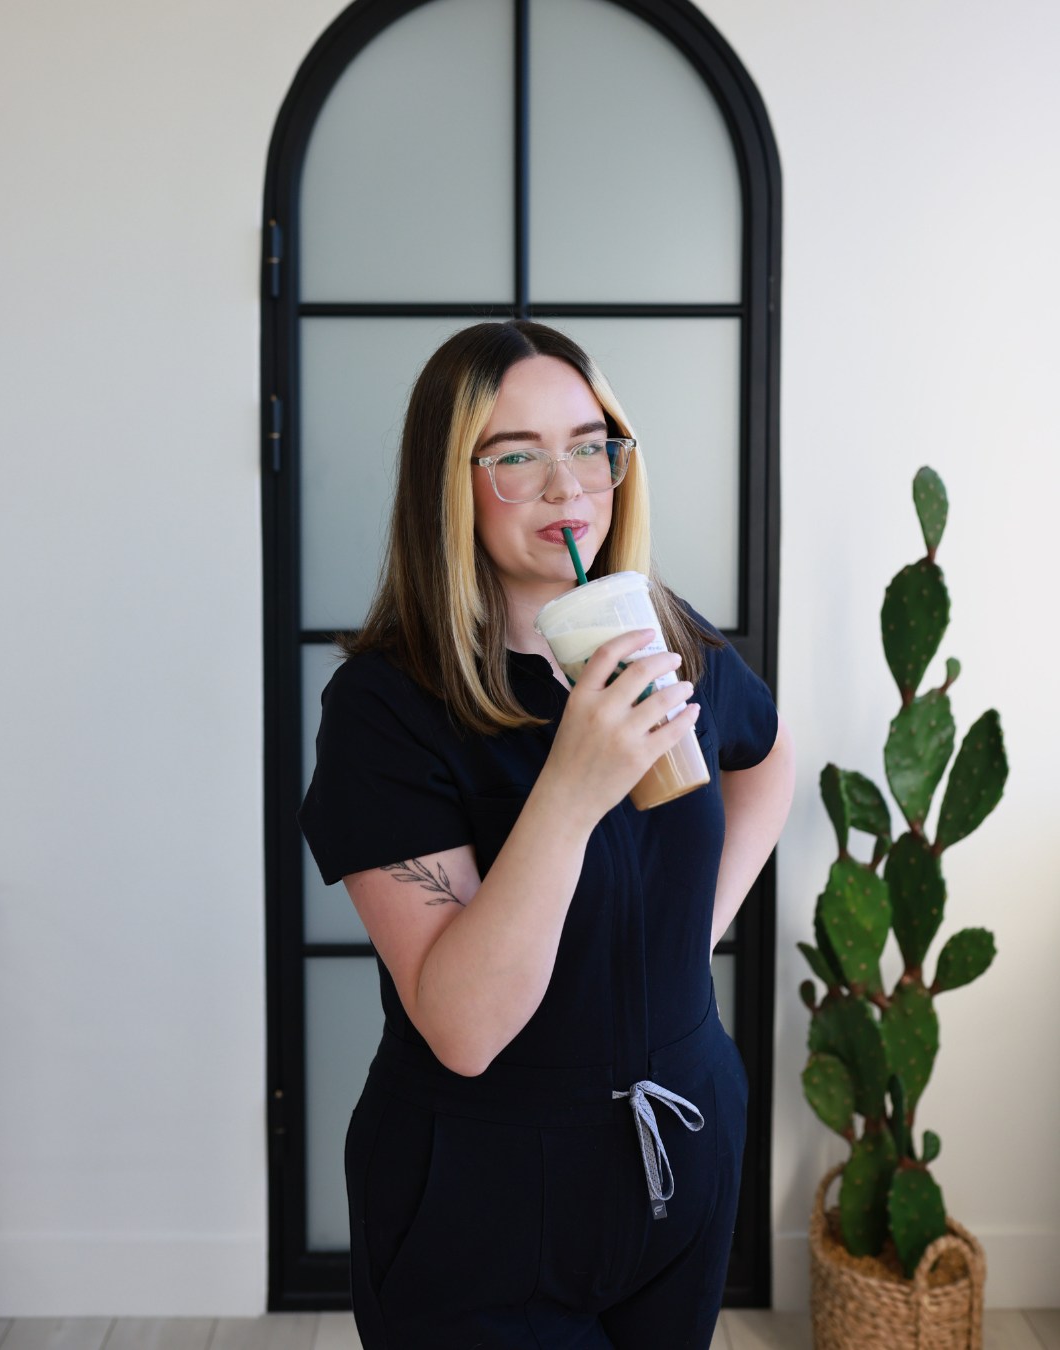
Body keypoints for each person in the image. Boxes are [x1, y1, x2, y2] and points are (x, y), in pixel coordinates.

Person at [299, 321, 795, 1350]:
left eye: (589, 445)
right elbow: (464, 1029)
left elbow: (767, 756)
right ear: (450, 485)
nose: (568, 486)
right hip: (482, 1187)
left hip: (683, 1140)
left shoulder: (659, 634)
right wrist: (571, 789)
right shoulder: (385, 710)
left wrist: (685, 940)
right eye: (516, 456)